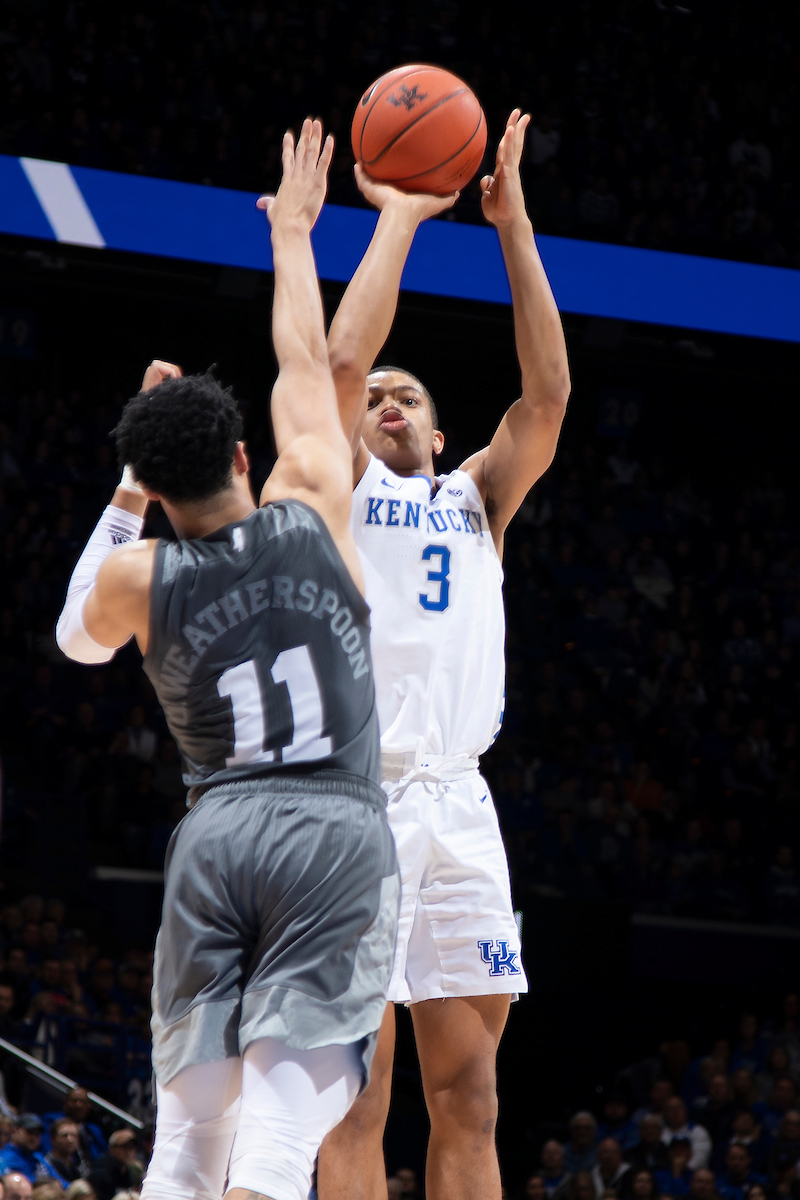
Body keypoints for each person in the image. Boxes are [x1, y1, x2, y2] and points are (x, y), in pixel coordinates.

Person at [55, 118, 398, 1200]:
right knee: (275, 1153)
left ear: (154, 489)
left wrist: (124, 494)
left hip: (217, 833)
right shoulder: (309, 500)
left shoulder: (136, 579)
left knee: (185, 1151)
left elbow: (71, 635)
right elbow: (311, 359)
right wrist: (293, 233)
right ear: (244, 456)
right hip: (333, 827)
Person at [318, 108, 570, 1200]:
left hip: (460, 805)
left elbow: (547, 395)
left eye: (403, 397)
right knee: (355, 1093)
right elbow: (336, 357)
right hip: (355, 800)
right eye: (376, 398)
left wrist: (511, 227)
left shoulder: (476, 498)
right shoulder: (344, 485)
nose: (381, 402)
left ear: (435, 430)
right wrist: (407, 217)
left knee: (470, 1097)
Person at [42, 1088, 106, 1167]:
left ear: (89, 1106)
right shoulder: (51, 1121)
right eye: (74, 1101)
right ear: (65, 1102)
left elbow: (102, 1156)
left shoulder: (93, 1130)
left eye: (83, 1102)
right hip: (61, 1168)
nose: (79, 1105)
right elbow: (48, 1150)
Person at [0, 1117, 60, 1184]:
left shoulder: (38, 1157)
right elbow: (24, 1184)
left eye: (37, 1134)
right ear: (15, 1131)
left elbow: (59, 1180)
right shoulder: (7, 1158)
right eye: (30, 1132)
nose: (34, 1137)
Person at [661, 1099, 712, 1170]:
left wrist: (682, 1169)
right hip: (667, 1173)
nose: (675, 1112)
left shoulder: (698, 1131)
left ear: (685, 1110)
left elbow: (700, 1157)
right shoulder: (661, 1133)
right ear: (664, 1114)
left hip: (693, 1173)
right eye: (670, 1109)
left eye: (678, 1108)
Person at [86, 1133, 138, 1200]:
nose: (128, 1152)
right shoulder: (102, 1173)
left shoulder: (127, 1170)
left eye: (132, 1147)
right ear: (112, 1148)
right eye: (124, 1147)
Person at [43, 1120, 81, 1186]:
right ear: (53, 1139)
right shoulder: (45, 1165)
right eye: (64, 1135)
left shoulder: (79, 1167)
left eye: (74, 1135)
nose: (70, 1140)